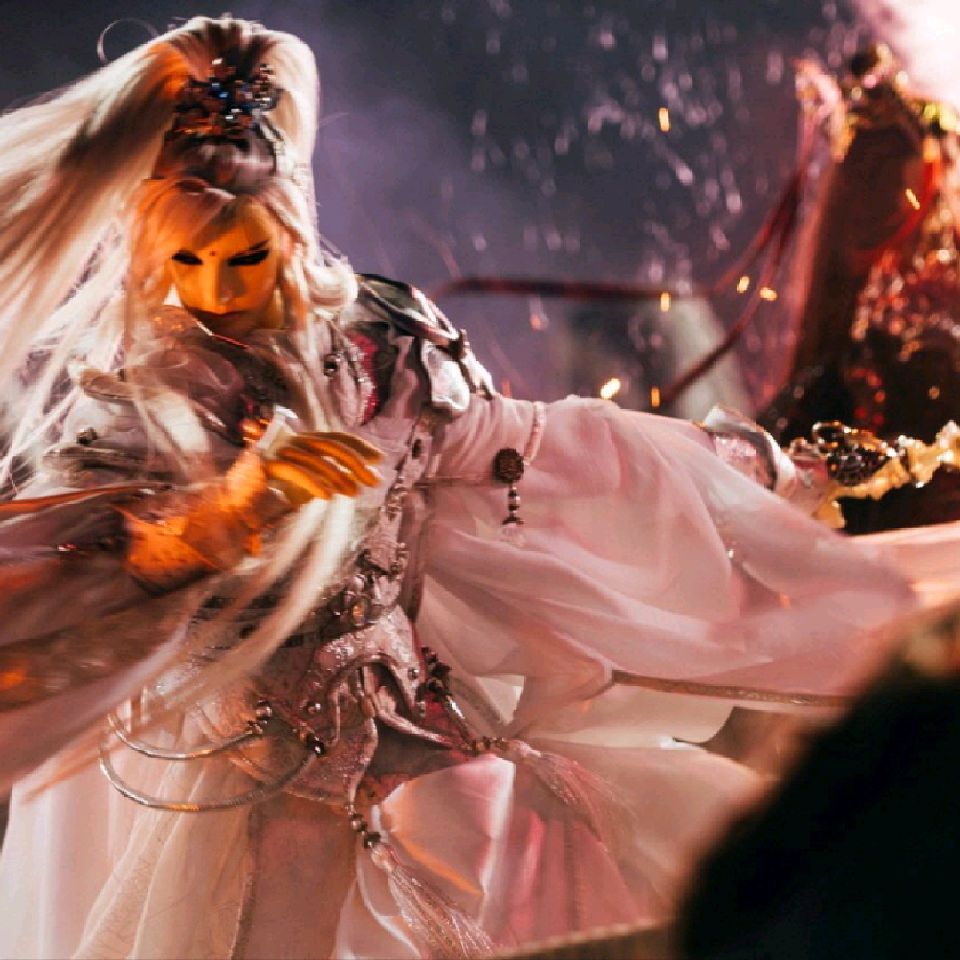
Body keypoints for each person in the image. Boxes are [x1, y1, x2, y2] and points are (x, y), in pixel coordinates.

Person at [0, 16, 951, 960]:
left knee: (551, 865)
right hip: (250, 766)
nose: (218, 290)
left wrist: (749, 473)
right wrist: (230, 512)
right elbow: (115, 556)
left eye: (245, 257)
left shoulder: (383, 342)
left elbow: (534, 446)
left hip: (415, 727)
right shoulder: (154, 397)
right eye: (187, 264)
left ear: (287, 225)